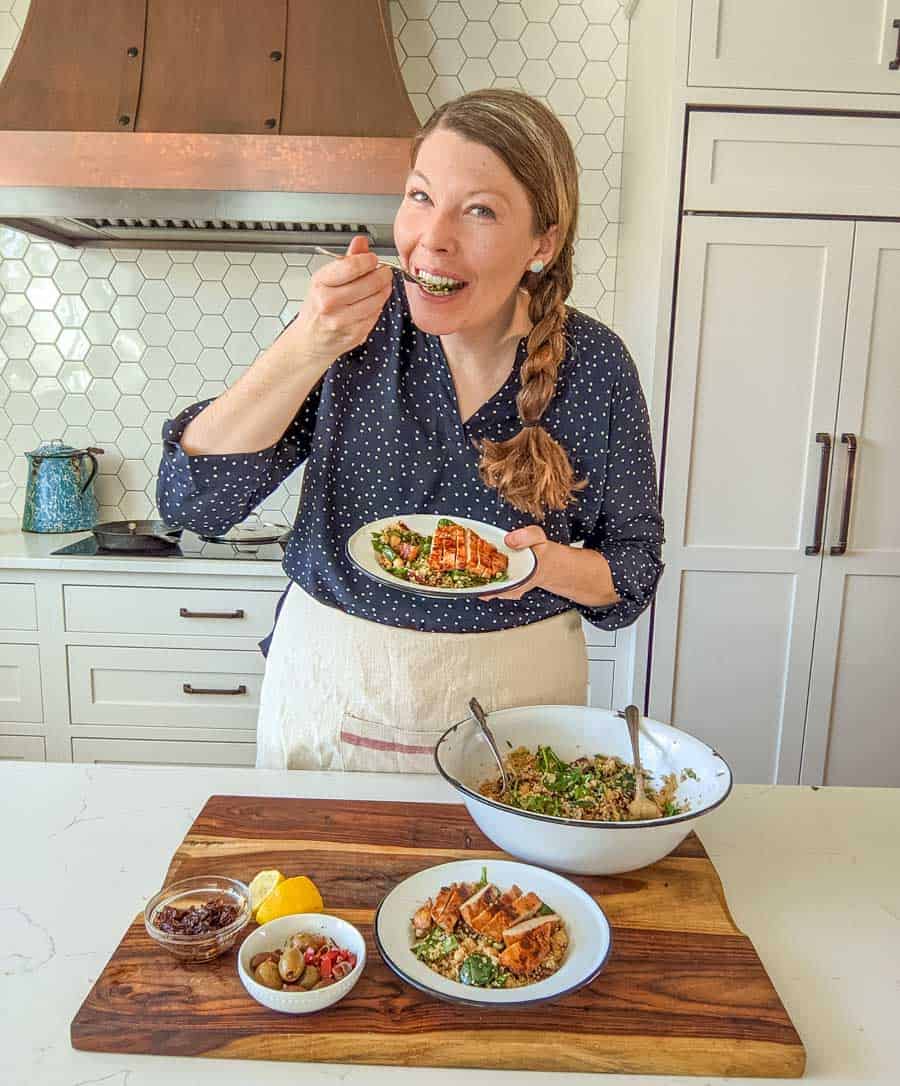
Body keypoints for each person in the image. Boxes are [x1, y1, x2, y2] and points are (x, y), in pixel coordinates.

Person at [157, 88, 664, 773]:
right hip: (335, 690)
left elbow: (632, 570)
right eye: (420, 196)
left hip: (520, 718)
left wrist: (546, 564)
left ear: (542, 243)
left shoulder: (596, 364)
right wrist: (306, 344)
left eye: (479, 210)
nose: (432, 239)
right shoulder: (353, 332)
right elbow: (193, 506)